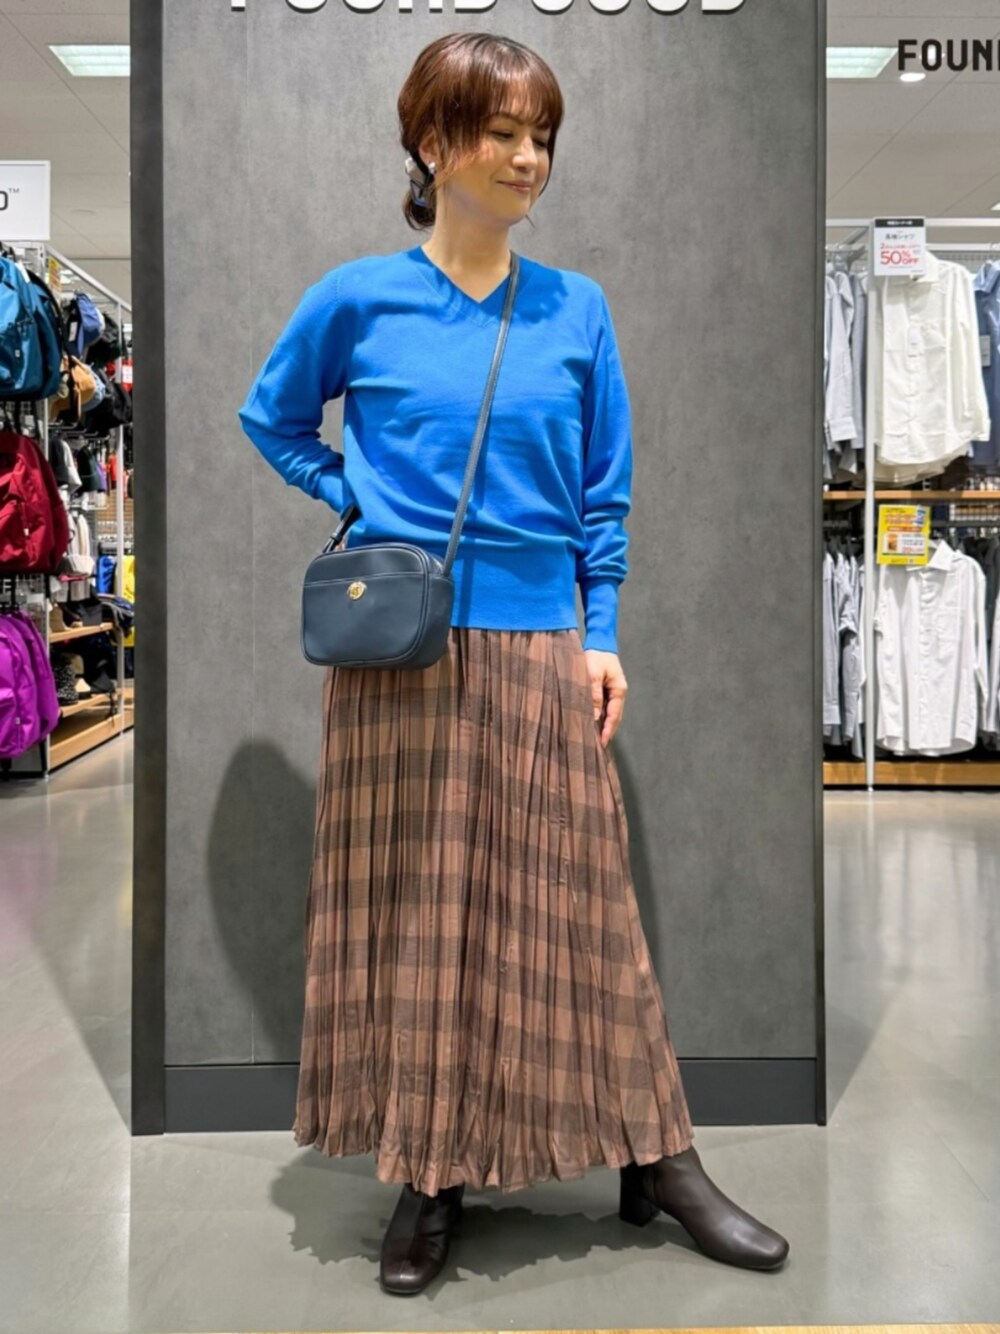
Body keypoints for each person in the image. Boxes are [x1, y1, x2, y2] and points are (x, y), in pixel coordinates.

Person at [238, 30, 789, 1297]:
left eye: (542, 134)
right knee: (419, 912)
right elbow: (271, 417)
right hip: (401, 656)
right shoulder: (357, 298)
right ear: (434, 143)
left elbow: (604, 493)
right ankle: (429, 1169)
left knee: (579, 912)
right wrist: (358, 497)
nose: (529, 156)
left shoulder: (574, 308)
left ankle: (658, 1155)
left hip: (541, 643)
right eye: (502, 132)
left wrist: (601, 630)